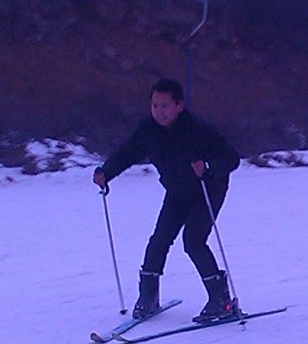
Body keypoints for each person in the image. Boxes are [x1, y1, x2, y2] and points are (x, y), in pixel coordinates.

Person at [93, 78, 241, 323]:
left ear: (179, 105)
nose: (159, 111)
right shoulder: (148, 130)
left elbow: (231, 158)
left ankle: (221, 299)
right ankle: (148, 296)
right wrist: (106, 172)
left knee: (193, 241)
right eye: (155, 105)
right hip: (177, 191)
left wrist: (208, 167)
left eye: (164, 106)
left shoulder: (199, 129)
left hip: (207, 190)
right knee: (159, 240)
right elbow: (128, 152)